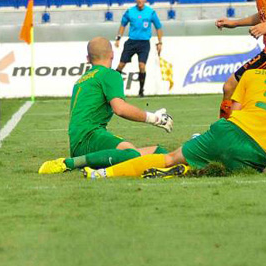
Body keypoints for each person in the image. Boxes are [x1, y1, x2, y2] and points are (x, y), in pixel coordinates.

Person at [84, 46, 266, 179]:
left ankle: (103, 174)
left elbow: (234, 112)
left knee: (170, 157)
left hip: (228, 131)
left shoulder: (253, 76)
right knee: (225, 169)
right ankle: (188, 170)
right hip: (256, 154)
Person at [37, 37, 173, 175]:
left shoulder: (82, 79)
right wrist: (155, 118)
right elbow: (120, 108)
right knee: (131, 155)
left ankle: (85, 161)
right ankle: (68, 164)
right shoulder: (109, 74)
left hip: (80, 141)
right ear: (112, 54)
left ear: (88, 58)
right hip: (90, 137)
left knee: (159, 153)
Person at [114, 0, 164, 97]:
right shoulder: (130, 11)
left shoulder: (151, 12)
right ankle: (112, 88)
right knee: (121, 65)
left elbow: (158, 27)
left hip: (144, 43)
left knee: (142, 66)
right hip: (131, 42)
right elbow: (123, 24)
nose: (140, 0)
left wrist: (160, 42)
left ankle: (141, 91)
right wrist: (118, 38)